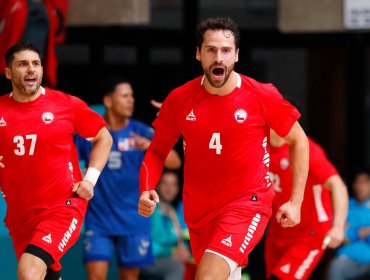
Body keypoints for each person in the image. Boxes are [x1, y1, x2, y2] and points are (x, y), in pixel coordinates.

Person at [137, 17, 309, 280]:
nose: (219, 57)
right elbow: (157, 151)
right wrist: (146, 187)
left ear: (236, 55)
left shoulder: (261, 95)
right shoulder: (180, 99)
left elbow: (299, 141)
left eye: (226, 50)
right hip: (199, 212)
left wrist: (295, 201)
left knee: (206, 277)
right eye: (211, 50)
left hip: (248, 203)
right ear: (198, 54)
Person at [0, 42, 112, 280]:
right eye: (22, 64)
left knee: (29, 272)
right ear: (9, 72)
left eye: (36, 64)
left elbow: (104, 137)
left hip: (63, 207)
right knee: (45, 275)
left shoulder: (65, 104)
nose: (31, 69)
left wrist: (90, 180)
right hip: (20, 216)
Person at [75, 77, 181, 280]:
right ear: (108, 101)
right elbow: (70, 163)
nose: (131, 100)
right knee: (95, 277)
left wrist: (151, 146)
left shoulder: (140, 131)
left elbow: (175, 163)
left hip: (134, 219)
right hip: (99, 219)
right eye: (124, 95)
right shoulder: (91, 133)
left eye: (132, 95)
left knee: (129, 277)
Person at [265, 129, 349, 280]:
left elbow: (338, 185)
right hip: (278, 230)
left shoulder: (305, 148)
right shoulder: (260, 147)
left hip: (310, 233)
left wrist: (338, 226)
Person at [0, 0, 68, 87]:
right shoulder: (13, 4)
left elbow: (58, 36)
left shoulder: (50, 8)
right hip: (8, 73)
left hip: (38, 75)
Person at [140, 170, 190, 280]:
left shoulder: (174, 211)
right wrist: (171, 252)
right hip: (147, 260)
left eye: (173, 184)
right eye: (165, 183)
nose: (169, 188)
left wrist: (183, 251)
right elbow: (147, 245)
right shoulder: (150, 210)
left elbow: (182, 238)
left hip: (168, 259)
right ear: (157, 186)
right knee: (176, 268)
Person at [327, 171, 370, 280]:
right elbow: (338, 235)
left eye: (364, 182)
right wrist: (359, 233)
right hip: (347, 258)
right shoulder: (344, 204)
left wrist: (351, 231)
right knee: (336, 267)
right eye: (357, 182)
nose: (359, 186)